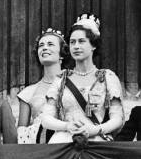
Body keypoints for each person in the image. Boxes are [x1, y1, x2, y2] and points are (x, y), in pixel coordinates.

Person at [42, 13, 124, 143]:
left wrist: (95, 130)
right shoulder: (61, 79)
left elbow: (118, 118)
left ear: (93, 45)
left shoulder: (107, 77)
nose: (76, 46)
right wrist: (66, 126)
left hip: (96, 140)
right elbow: (46, 119)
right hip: (63, 140)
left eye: (81, 41)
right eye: (72, 42)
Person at [17, 29, 68, 144]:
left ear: (62, 54)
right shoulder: (27, 93)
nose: (45, 48)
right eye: (41, 45)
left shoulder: (73, 84)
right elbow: (21, 134)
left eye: (50, 44)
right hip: (41, 148)